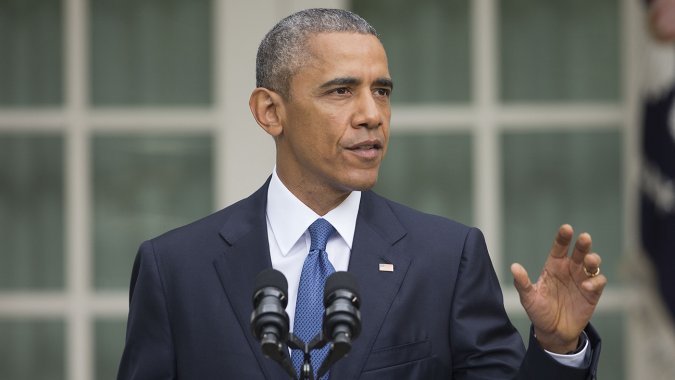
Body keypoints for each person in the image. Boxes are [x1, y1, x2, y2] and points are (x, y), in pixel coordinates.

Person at [117, 8, 606, 380]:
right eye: (341, 91)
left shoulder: (446, 258)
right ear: (270, 111)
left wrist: (558, 347)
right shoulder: (175, 269)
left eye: (383, 91)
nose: (372, 114)